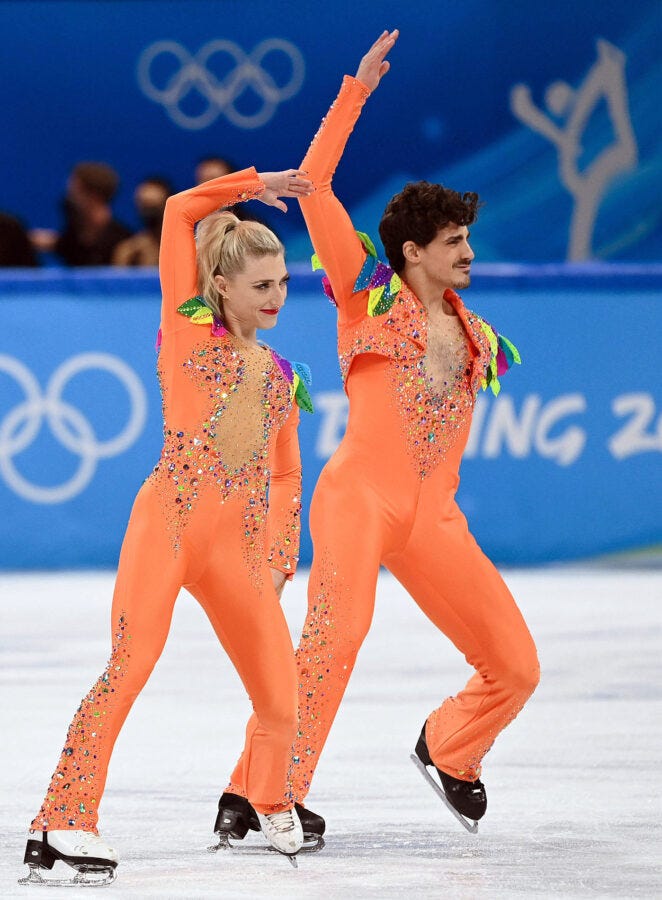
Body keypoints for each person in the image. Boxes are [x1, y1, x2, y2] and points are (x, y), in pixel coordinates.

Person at [224, 30, 540, 834]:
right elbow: (316, 183)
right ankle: (258, 798)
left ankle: (450, 748)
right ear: (412, 253)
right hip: (359, 500)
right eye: (456, 243)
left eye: (468, 239)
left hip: (434, 521)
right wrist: (354, 92)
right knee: (334, 642)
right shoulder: (366, 296)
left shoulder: (477, 336)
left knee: (515, 665)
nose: (469, 253)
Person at [20, 164, 315, 886]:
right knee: (131, 666)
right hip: (170, 525)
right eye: (261, 286)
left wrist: (278, 555)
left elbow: (284, 475)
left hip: (237, 550)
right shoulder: (187, 334)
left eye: (282, 283)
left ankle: (270, 797)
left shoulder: (278, 374)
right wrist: (253, 184)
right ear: (221, 288)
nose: (277, 298)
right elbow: (182, 208)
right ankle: (63, 820)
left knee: (281, 695)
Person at [31, 161, 132, 266]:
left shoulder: (123, 243)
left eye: (74, 192)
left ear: (94, 196)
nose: (69, 198)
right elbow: (53, 243)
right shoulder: (73, 236)